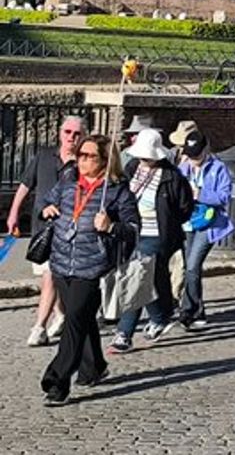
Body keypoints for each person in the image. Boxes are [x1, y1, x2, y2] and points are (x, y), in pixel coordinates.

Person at [38, 134, 140, 406]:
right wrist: (47, 209)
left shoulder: (117, 191)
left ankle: (57, 381)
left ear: (106, 160)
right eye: (80, 155)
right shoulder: (68, 181)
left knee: (73, 320)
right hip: (61, 262)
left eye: (89, 156)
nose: (82, 161)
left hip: (92, 266)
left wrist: (111, 226)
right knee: (81, 318)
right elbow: (46, 202)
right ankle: (93, 366)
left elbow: (133, 229)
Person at [108, 129, 194, 354]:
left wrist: (168, 223)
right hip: (132, 232)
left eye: (147, 156)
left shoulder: (172, 177)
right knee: (149, 280)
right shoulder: (132, 168)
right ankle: (161, 315)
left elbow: (185, 208)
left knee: (137, 278)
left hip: (157, 234)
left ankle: (124, 333)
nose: (144, 160)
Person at [7, 114, 83, 347]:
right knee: (46, 277)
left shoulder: (84, 163)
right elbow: (25, 185)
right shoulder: (43, 156)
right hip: (41, 228)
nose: (71, 137)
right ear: (60, 133)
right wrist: (13, 214)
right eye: (67, 132)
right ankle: (61, 314)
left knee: (50, 276)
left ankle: (39, 327)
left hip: (67, 230)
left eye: (77, 133)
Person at [175, 127, 234, 330]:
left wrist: (200, 194)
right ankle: (196, 310)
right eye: (190, 155)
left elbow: (225, 196)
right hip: (187, 222)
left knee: (192, 266)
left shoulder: (218, 168)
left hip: (209, 224)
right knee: (189, 268)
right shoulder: (183, 168)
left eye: (196, 155)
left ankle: (190, 310)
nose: (193, 160)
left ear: (205, 150)